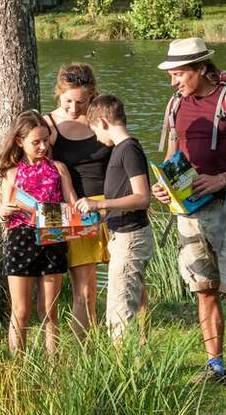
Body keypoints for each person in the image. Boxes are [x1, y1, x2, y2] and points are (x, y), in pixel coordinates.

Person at [153, 38, 226, 393]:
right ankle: (214, 365)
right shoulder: (176, 104)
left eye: (179, 73)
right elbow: (174, 160)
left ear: (201, 68)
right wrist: (165, 189)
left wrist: (219, 179)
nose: (174, 81)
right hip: (189, 213)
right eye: (172, 74)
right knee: (204, 290)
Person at [0, 110, 77, 355]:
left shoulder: (59, 168)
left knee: (49, 311)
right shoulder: (12, 173)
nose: (43, 146)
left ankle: (54, 366)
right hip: (21, 239)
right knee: (20, 311)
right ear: (20, 142)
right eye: (36, 142)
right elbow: (1, 210)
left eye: (46, 140)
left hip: (52, 237)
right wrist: (4, 211)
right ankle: (17, 365)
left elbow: (72, 205)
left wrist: (75, 216)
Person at [75, 95, 153, 341]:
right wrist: (103, 214)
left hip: (130, 237)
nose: (96, 136)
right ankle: (135, 364)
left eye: (95, 128)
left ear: (104, 121)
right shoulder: (119, 150)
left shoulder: (128, 149)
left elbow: (142, 197)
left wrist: (100, 203)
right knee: (119, 308)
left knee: (120, 314)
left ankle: (125, 374)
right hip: (121, 234)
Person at [44, 63, 112, 339]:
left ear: (92, 96)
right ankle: (86, 354)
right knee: (84, 289)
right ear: (59, 93)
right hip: (67, 209)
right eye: (68, 100)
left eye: (81, 102)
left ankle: (138, 347)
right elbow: (37, 170)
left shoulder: (102, 118)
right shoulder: (48, 124)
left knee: (132, 280)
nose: (74, 108)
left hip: (109, 205)